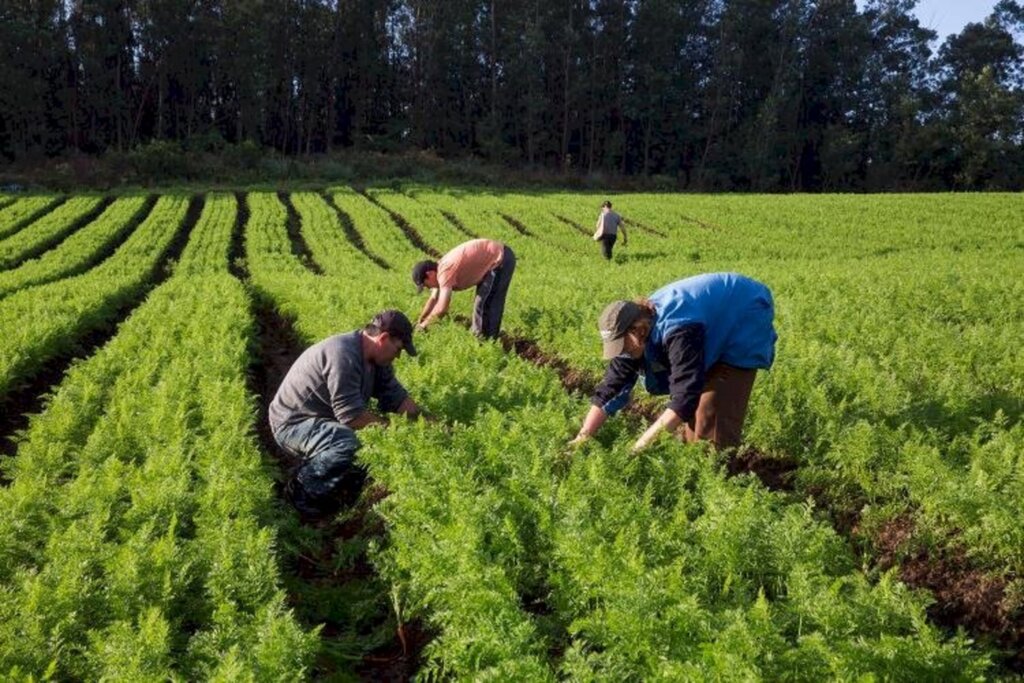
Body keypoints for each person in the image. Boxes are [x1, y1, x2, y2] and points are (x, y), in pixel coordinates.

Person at [569, 273, 777, 453]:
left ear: (637, 331)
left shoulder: (678, 331)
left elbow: (684, 397)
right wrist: (582, 437)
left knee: (711, 420)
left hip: (743, 314)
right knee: (694, 416)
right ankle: (693, 465)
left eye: (622, 346)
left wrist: (639, 448)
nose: (621, 353)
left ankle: (714, 477)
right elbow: (610, 389)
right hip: (709, 321)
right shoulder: (637, 334)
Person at [269, 309, 425, 516]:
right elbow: (352, 417)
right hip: (292, 424)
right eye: (398, 349)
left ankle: (339, 489)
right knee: (348, 442)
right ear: (384, 338)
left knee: (359, 442)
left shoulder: (377, 360)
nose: (398, 356)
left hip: (321, 420)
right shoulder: (344, 354)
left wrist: (429, 423)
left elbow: (397, 399)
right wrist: (394, 431)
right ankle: (302, 487)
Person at [412, 238, 517, 339]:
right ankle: (482, 339)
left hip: (500, 259)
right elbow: (434, 299)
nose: (428, 287)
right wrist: (421, 320)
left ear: (429, 274)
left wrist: (424, 326)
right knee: (482, 303)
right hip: (494, 258)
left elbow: (442, 308)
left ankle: (486, 342)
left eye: (426, 285)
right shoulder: (439, 269)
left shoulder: (445, 272)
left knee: (486, 304)